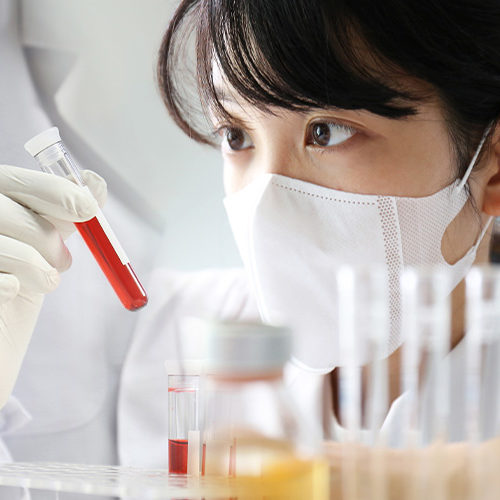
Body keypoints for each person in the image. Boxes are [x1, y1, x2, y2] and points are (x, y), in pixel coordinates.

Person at [1, 0, 500, 497]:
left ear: (493, 168)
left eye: (327, 131)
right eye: (237, 136)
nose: (266, 197)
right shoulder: (168, 344)